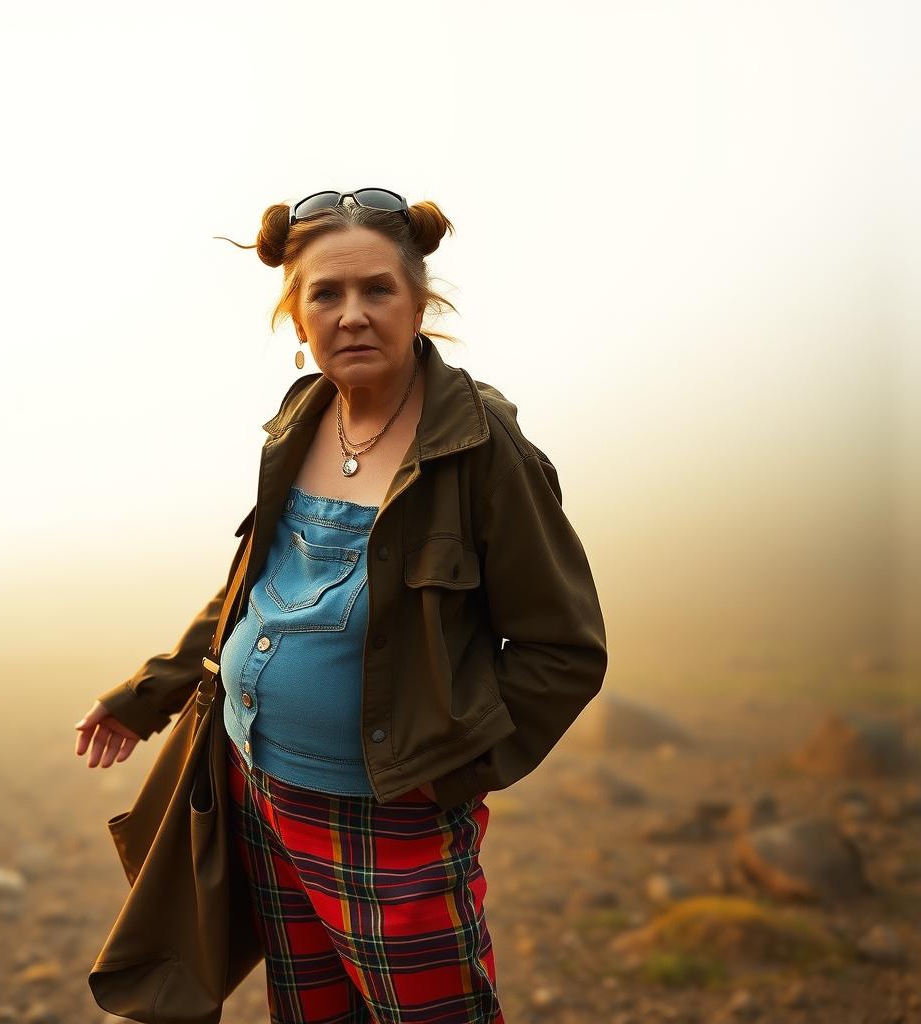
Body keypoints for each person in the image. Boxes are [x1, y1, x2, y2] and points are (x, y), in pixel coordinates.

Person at [75, 187, 609, 1023]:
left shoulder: (480, 447)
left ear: (419, 303)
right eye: (326, 293)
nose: (352, 314)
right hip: (257, 791)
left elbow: (563, 649)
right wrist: (147, 693)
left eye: (377, 290)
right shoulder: (302, 417)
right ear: (297, 317)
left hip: (390, 820)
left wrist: (448, 775)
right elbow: (251, 583)